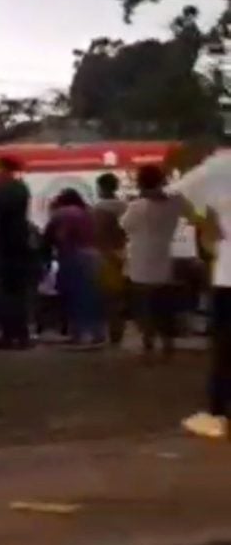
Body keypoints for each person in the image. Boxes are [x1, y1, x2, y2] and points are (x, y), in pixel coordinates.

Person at [174, 154, 231, 439]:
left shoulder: (220, 164)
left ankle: (218, 414)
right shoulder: (221, 165)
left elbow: (177, 194)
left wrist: (207, 227)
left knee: (225, 347)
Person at [120, 164, 194, 360]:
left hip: (140, 262)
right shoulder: (175, 202)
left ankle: (148, 345)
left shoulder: (137, 206)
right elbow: (191, 210)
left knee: (145, 307)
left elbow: (125, 226)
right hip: (163, 258)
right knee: (164, 306)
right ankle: (168, 344)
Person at [44, 189, 105, 347]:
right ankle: (97, 333)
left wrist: (46, 258)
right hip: (94, 255)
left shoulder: (61, 213)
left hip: (73, 256)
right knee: (91, 296)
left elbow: (50, 237)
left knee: (74, 297)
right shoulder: (89, 213)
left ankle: (78, 334)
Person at [0, 156, 32, 348]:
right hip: (17, 244)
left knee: (9, 293)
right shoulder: (20, 188)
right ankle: (19, 335)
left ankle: (11, 335)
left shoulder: (8, 190)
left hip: (9, 245)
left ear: (5, 170)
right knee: (17, 293)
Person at [93, 172, 127, 345]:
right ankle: (118, 332)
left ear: (101, 187)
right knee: (119, 297)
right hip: (124, 253)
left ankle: (112, 334)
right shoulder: (125, 206)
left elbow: (98, 236)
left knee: (109, 297)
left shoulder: (100, 209)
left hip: (106, 256)